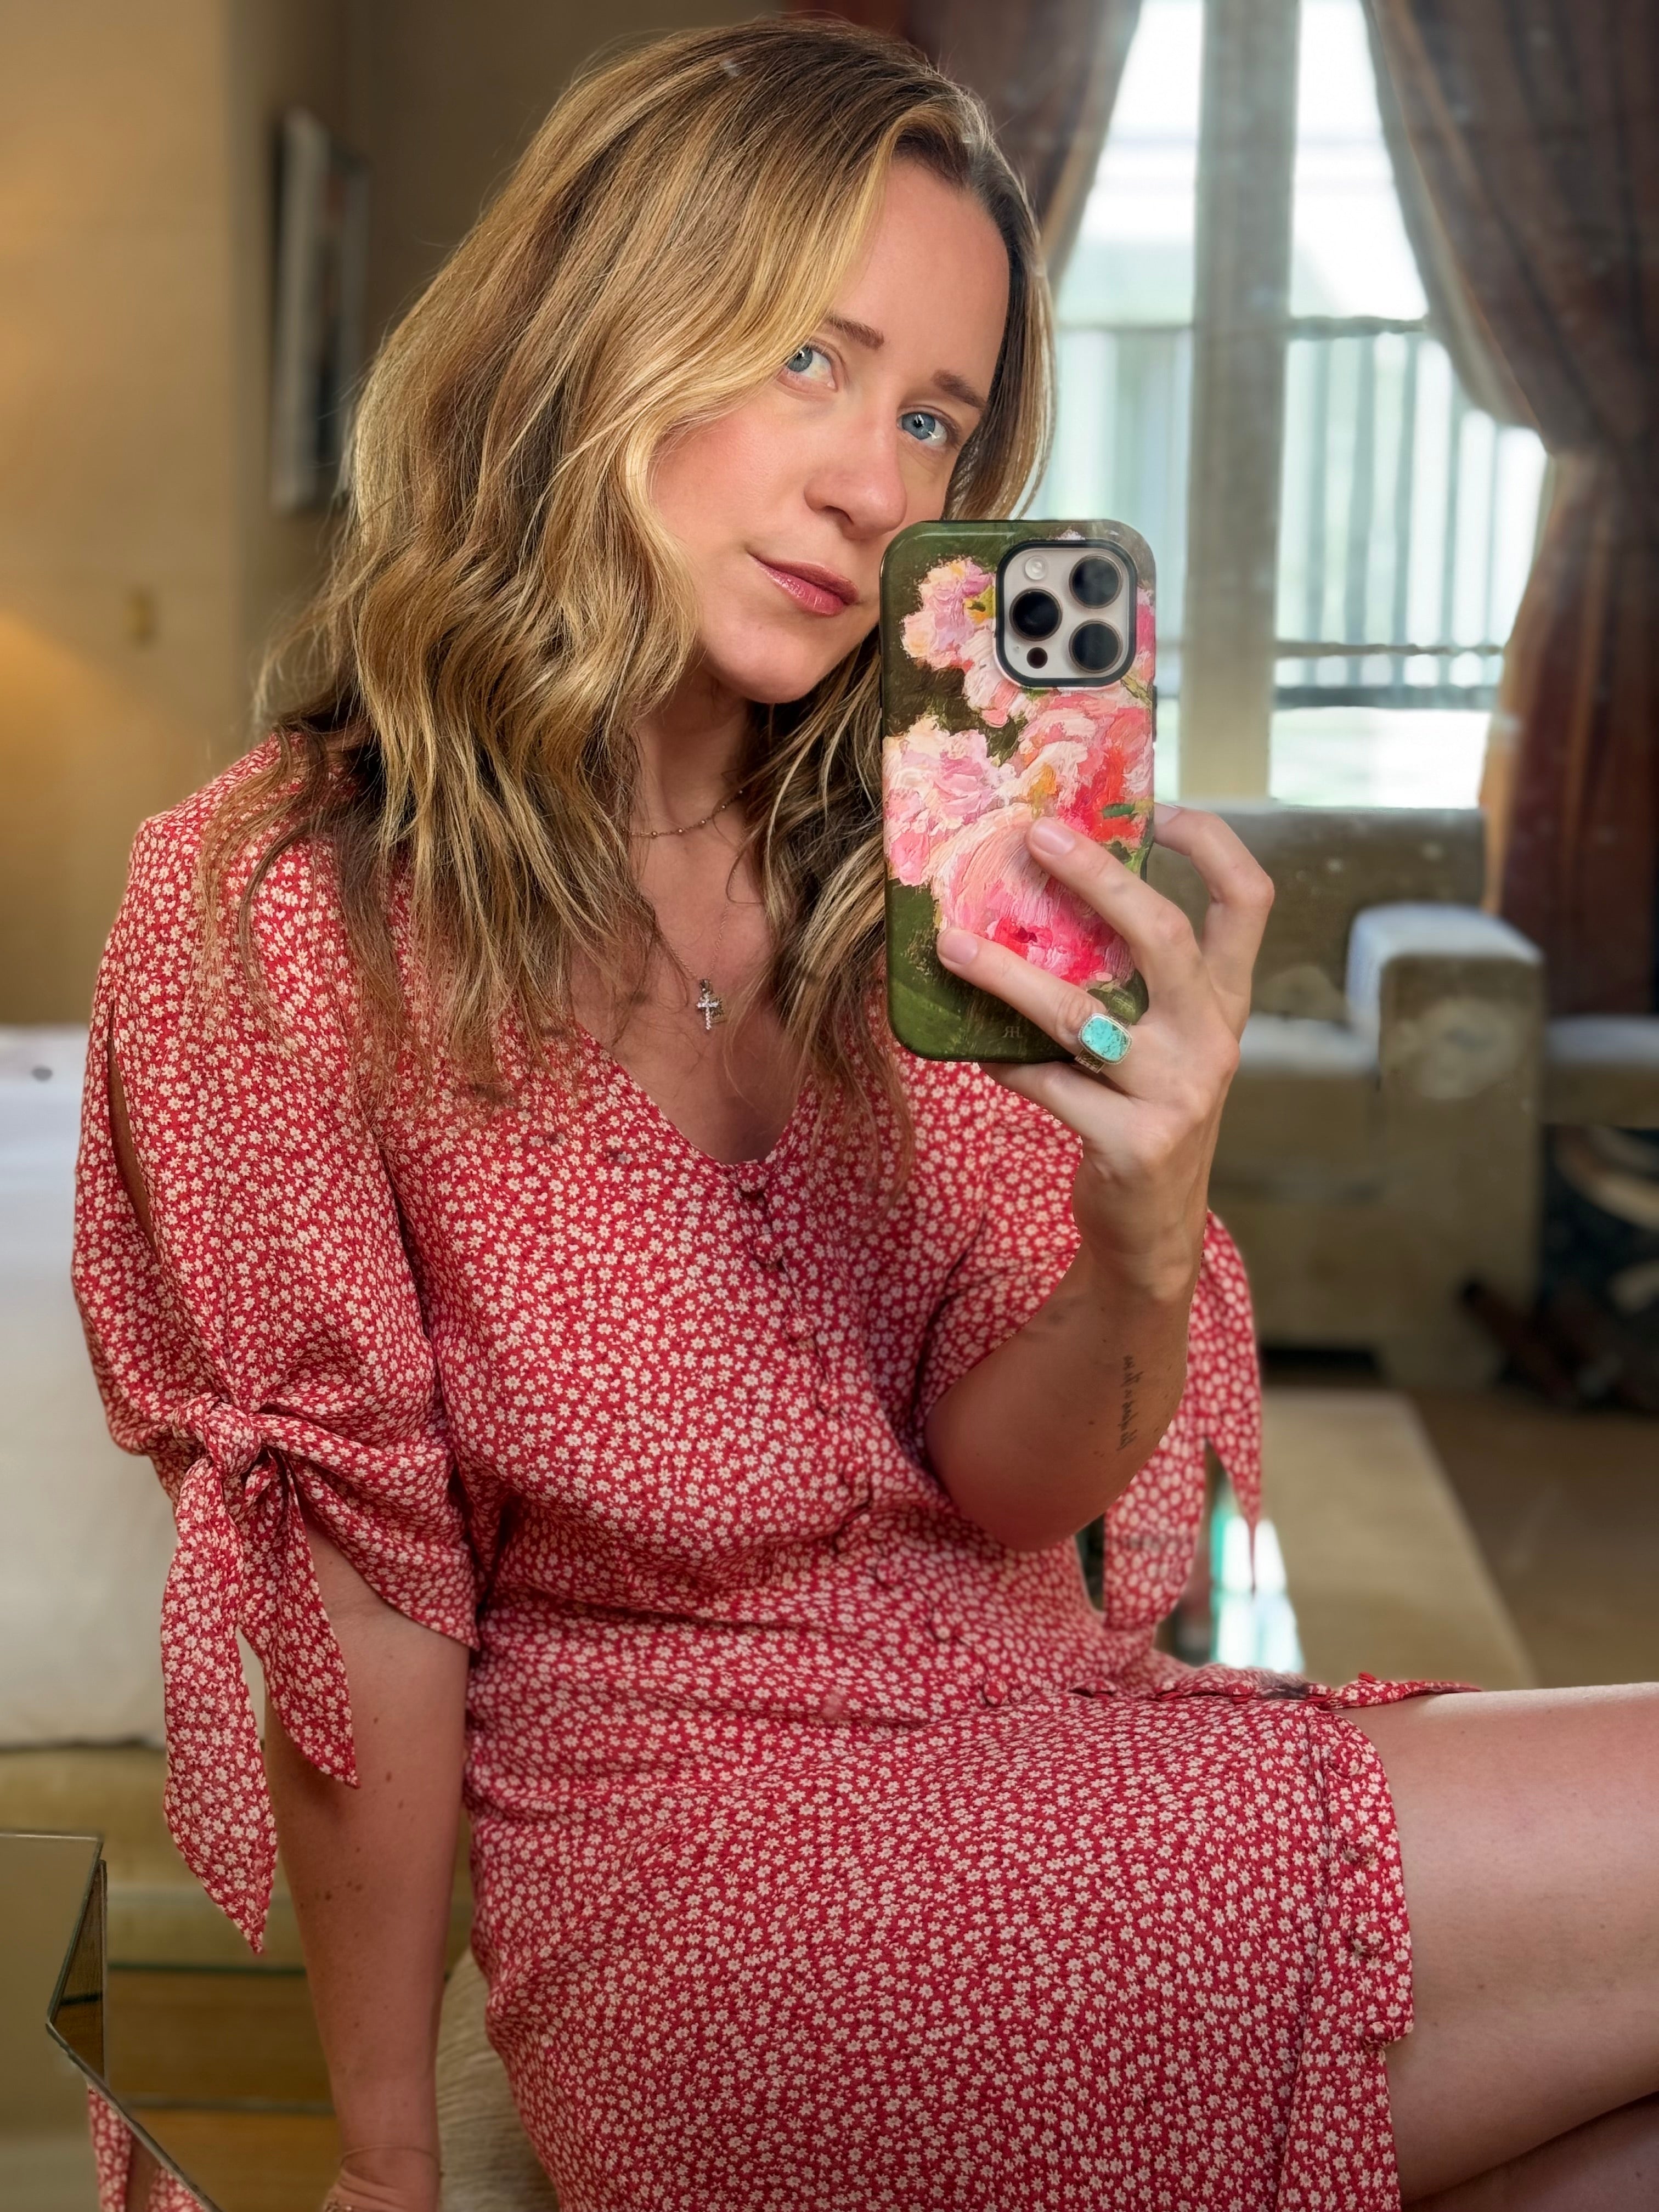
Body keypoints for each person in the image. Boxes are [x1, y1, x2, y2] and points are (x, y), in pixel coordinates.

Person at [72, 21, 1658, 2212]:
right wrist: (374, 2159)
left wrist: (1145, 1209)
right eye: (810, 361)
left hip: (1074, 1746)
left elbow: (1018, 1480)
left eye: (936, 413)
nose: (878, 481)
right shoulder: (280, 904)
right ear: (597, 325)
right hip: (721, 1894)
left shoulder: (937, 855)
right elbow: (369, 1597)